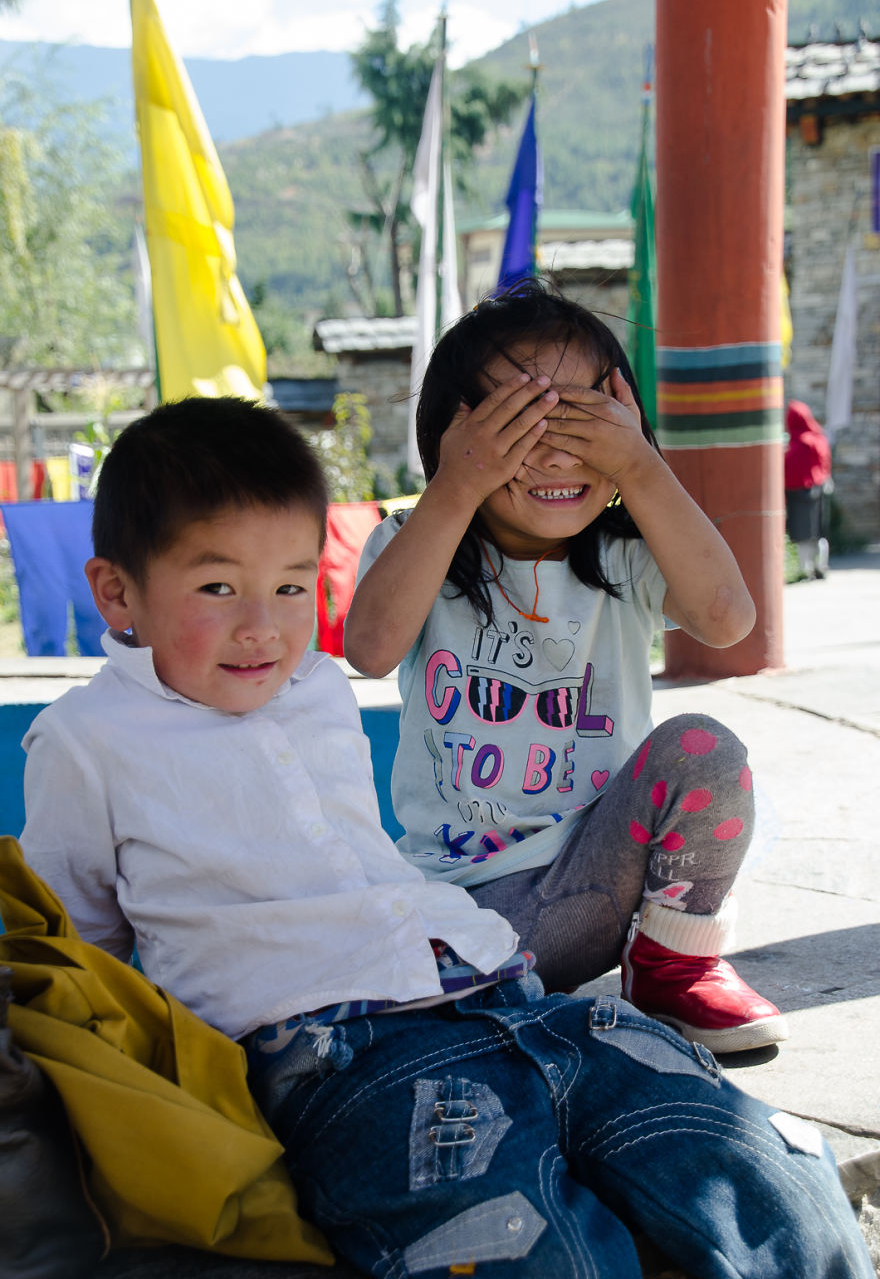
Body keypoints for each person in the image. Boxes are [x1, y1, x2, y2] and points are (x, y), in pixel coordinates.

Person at [18, 397, 872, 1279]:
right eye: (216, 587)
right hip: (338, 1059)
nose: (262, 626)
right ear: (117, 591)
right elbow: (79, 953)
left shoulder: (315, 691)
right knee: (512, 1243)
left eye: (290, 585)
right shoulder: (88, 740)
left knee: (749, 1156)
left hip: (508, 999)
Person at [346, 280, 788, 1056]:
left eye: (586, 422)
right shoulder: (421, 545)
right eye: (521, 424)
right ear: (456, 435)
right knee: (371, 985)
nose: (557, 452)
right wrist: (455, 488)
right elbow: (369, 647)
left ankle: (672, 971)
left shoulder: (622, 558)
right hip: (461, 912)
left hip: (601, 887)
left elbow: (728, 621)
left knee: (704, 749)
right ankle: (492, 996)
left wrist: (642, 468)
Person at [785, 399, 833, 580]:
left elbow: (789, 468)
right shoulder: (819, 438)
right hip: (819, 489)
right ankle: (821, 565)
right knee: (818, 530)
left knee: (803, 532)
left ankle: (806, 570)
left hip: (799, 493)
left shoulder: (799, 443)